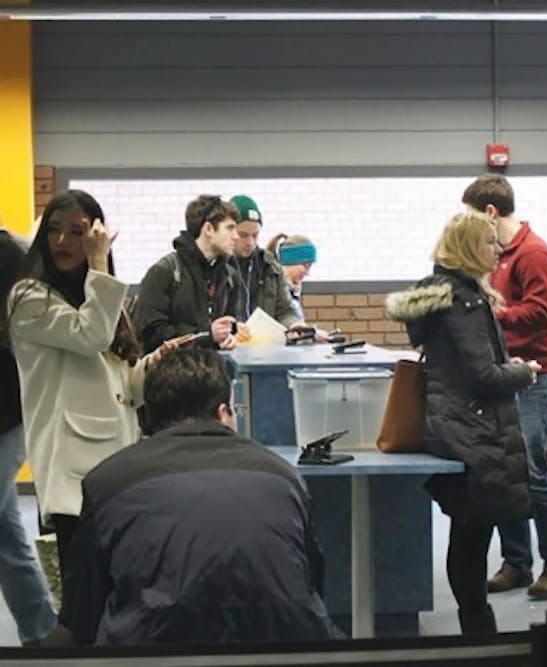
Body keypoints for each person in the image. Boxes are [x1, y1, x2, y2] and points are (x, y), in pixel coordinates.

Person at [60, 348, 338, 645]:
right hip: (285, 650)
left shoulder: (107, 482)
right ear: (223, 412)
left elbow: (82, 614)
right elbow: (313, 584)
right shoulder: (283, 477)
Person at [5, 190, 176, 591]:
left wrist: (154, 362)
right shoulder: (29, 297)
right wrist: (99, 263)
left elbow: (125, 384)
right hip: (72, 465)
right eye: (54, 230)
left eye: (76, 231)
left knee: (120, 583)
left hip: (118, 458)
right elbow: (90, 336)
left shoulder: (99, 297)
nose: (63, 241)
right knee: (85, 592)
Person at [385, 211, 537, 634]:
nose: (498, 249)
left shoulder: (441, 295)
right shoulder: (465, 301)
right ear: (470, 247)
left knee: (467, 534)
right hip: (475, 430)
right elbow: (484, 376)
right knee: (472, 539)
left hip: (452, 425)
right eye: (490, 242)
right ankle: (478, 632)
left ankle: (476, 626)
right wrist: (525, 371)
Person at [462, 173, 547, 599]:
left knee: (530, 471)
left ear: (491, 212)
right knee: (504, 470)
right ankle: (517, 563)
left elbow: (544, 316)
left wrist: (492, 313)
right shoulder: (494, 253)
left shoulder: (533, 253)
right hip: (501, 374)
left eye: (472, 215)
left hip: (533, 375)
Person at [0, 225, 57, 645]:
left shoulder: (11, 256)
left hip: (6, 413)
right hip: (12, 413)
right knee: (5, 535)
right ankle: (42, 635)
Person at [132, 194, 245, 353]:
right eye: (230, 228)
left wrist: (230, 336)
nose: (236, 236)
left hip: (214, 371)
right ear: (208, 229)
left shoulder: (230, 276)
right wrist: (207, 336)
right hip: (169, 373)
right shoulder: (164, 272)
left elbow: (230, 324)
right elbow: (150, 335)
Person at [228, 195, 300, 327]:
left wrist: (294, 325)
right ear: (229, 231)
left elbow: (285, 311)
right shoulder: (217, 267)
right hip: (229, 343)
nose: (250, 242)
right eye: (243, 235)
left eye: (255, 235)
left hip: (264, 344)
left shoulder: (270, 266)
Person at [264, 233, 332, 342]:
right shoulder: (272, 289)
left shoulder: (293, 291)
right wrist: (310, 334)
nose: (308, 273)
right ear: (291, 262)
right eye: (306, 266)